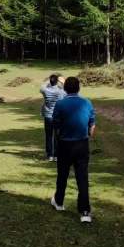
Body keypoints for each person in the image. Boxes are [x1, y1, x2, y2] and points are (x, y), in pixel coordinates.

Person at [49, 76, 95, 223]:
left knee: (62, 175)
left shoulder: (60, 104)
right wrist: (87, 135)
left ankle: (59, 202)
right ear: (78, 88)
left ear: (65, 88)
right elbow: (92, 124)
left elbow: (56, 125)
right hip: (82, 144)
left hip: (65, 144)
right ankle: (85, 211)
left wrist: (60, 138)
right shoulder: (87, 102)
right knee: (82, 178)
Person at [39, 74, 66, 161]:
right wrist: (62, 82)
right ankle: (56, 155)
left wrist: (48, 80)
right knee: (57, 136)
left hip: (48, 116)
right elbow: (66, 92)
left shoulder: (45, 90)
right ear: (57, 81)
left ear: (50, 81)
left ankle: (49, 155)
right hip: (58, 116)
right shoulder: (61, 91)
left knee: (48, 136)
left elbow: (41, 87)